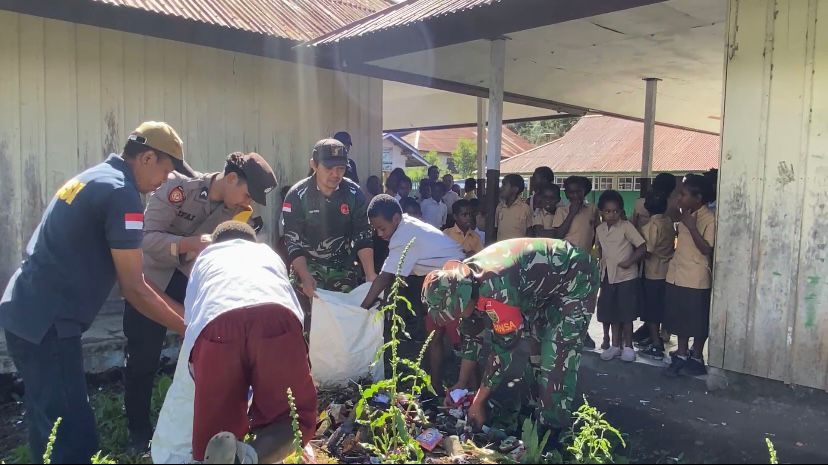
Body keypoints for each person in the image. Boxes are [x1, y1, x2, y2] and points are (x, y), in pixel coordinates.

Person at [0, 122, 189, 463]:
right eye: (166, 169)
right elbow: (134, 287)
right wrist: (190, 329)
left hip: (23, 312)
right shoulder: (123, 194)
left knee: (50, 422)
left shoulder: (95, 177)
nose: (167, 180)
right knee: (72, 436)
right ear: (147, 157)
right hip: (49, 323)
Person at [125, 151, 276, 451]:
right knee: (142, 359)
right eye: (246, 194)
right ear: (231, 178)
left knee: (206, 357)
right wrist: (188, 243)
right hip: (150, 283)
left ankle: (198, 424)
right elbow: (144, 238)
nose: (248, 203)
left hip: (192, 286)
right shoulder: (179, 188)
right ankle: (138, 431)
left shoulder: (237, 211)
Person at [152, 221, 316, 464]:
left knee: (218, 429)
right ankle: (248, 458)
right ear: (252, 242)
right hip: (276, 316)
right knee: (291, 417)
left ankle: (226, 457)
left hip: (217, 322)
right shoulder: (266, 253)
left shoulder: (206, 258)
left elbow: (191, 324)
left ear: (218, 243)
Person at [423, 238, 599, 435]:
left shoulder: (497, 292)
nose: (455, 318)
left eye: (456, 312)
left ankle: (552, 435)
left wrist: (478, 402)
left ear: (464, 299)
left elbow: (502, 352)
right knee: (537, 354)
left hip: (575, 277)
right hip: (543, 288)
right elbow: (472, 336)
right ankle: (533, 417)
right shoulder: (465, 281)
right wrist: (461, 384)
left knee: (556, 358)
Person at [360, 196, 464, 395]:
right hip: (440, 281)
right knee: (433, 335)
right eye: (376, 229)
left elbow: (385, 277)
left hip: (456, 281)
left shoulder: (403, 237)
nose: (379, 234)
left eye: (382, 228)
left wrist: (362, 308)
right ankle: (436, 387)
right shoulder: (406, 224)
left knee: (463, 342)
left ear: (396, 219)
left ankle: (466, 388)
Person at [282, 139, 376, 308]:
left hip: (344, 272)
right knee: (308, 327)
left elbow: (362, 235)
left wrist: (370, 275)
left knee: (343, 325)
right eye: (328, 168)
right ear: (314, 165)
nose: (335, 174)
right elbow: (292, 241)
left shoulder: (354, 194)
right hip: (307, 272)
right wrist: (304, 276)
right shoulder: (297, 196)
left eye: (341, 168)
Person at [664, 175, 716, 378]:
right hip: (677, 274)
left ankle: (696, 355)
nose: (679, 198)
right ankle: (682, 352)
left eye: (683, 194)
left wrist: (692, 226)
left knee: (698, 320)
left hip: (696, 277)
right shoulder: (685, 214)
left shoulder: (708, 219)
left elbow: (706, 249)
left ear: (698, 197)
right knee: (680, 318)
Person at [595, 191, 646, 363]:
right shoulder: (599, 229)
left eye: (615, 211)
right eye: (607, 211)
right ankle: (615, 345)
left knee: (626, 312)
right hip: (608, 276)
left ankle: (629, 346)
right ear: (601, 211)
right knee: (611, 311)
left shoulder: (626, 226)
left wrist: (630, 261)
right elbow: (601, 250)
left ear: (621, 211)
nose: (612, 214)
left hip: (626, 276)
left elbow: (642, 247)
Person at [637, 190, 676, 360]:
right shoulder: (668, 222)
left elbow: (649, 250)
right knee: (661, 307)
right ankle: (658, 337)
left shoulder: (651, 226)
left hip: (653, 271)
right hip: (668, 269)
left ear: (646, 208)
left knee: (651, 310)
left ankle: (656, 344)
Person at [495, 174, 533, 241]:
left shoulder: (525, 208)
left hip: (519, 249)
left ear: (515, 189)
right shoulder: (500, 207)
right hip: (502, 249)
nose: (501, 188)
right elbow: (496, 229)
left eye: (504, 185)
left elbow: (529, 231)